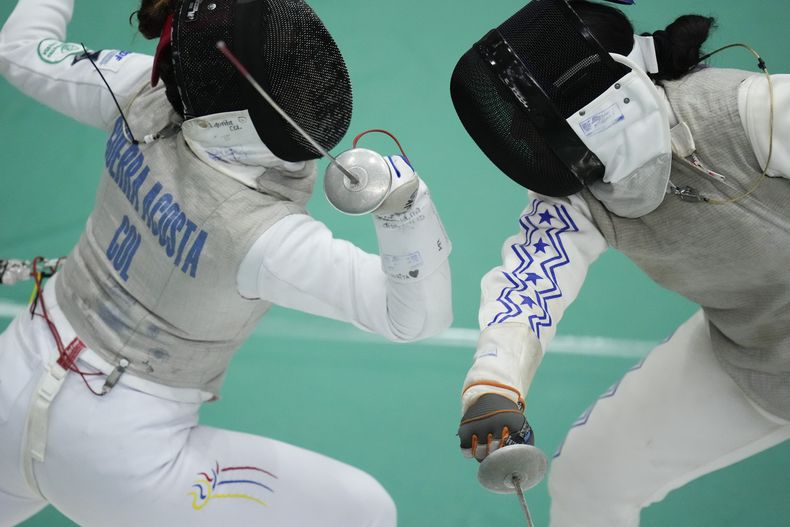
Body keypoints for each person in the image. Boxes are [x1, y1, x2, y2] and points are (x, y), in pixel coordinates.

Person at [0, 0, 453, 525]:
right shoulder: (265, 238)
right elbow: (414, 318)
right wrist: (407, 209)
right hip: (119, 461)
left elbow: (17, 48)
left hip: (12, 374)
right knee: (364, 510)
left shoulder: (138, 92)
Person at [450, 0, 790, 525]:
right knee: (591, 479)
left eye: (544, 119)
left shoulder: (749, 110)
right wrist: (493, 384)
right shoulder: (578, 199)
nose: (538, 141)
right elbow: (528, 286)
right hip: (756, 357)